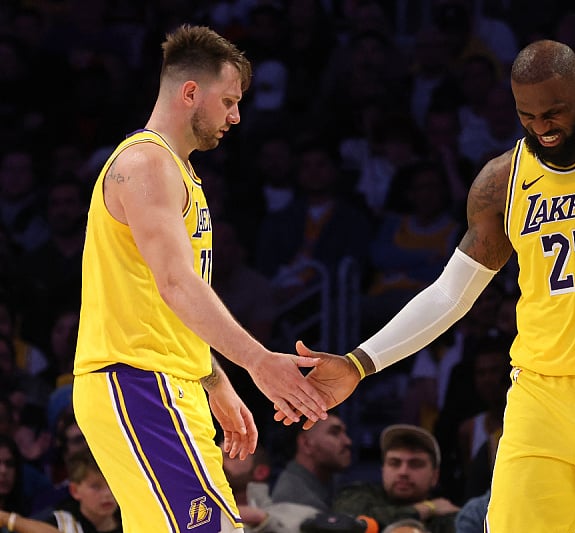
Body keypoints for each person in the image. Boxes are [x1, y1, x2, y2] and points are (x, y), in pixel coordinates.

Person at [286, 39, 575, 532]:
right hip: (539, 395)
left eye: (554, 112)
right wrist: (360, 362)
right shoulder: (501, 181)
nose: (541, 127)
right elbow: (451, 293)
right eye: (527, 115)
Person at [71, 24, 328, 532]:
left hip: (166, 380)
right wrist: (257, 361)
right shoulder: (146, 163)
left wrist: (213, 378)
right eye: (229, 100)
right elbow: (176, 284)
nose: (236, 115)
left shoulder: (175, 171)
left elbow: (164, 301)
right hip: (138, 381)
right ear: (191, 92)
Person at [332, 424, 459, 533]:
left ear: (435, 476)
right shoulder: (358, 493)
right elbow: (344, 523)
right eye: (394, 463)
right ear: (383, 469)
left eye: (415, 464)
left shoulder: (447, 515)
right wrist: (427, 508)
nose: (403, 472)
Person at [271, 413, 353, 512]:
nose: (348, 441)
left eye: (345, 433)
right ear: (306, 443)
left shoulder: (330, 481)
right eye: (334, 433)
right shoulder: (293, 501)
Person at [35, 448, 122, 533]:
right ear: (75, 490)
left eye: (112, 485)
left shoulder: (131, 518)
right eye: (96, 487)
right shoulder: (61, 524)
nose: (107, 494)